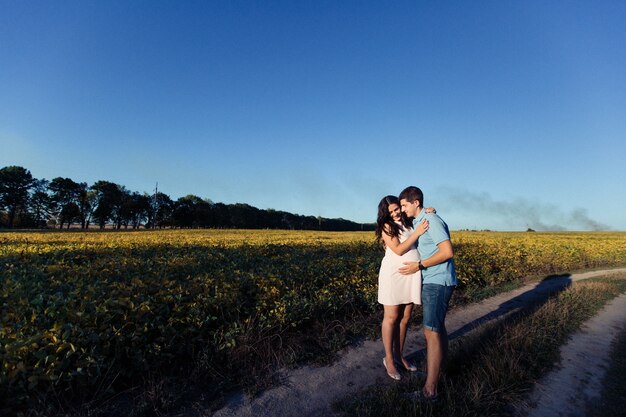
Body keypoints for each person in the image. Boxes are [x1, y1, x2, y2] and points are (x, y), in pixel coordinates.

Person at [399, 186, 456, 401]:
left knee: (431, 333)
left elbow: (447, 251)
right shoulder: (422, 219)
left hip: (438, 281)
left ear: (415, 202)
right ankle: (440, 375)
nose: (403, 209)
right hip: (435, 280)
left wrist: (419, 266)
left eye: (404, 205)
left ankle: (430, 391)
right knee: (437, 330)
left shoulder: (431, 220)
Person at [375, 195, 430, 381]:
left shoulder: (408, 221)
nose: (395, 213)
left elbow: (419, 215)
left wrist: (429, 212)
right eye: (390, 212)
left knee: (405, 318)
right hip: (394, 276)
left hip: (412, 275)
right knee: (391, 317)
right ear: (385, 213)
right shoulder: (387, 226)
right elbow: (398, 250)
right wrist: (417, 233)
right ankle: (389, 359)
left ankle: (399, 356)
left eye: (397, 208)